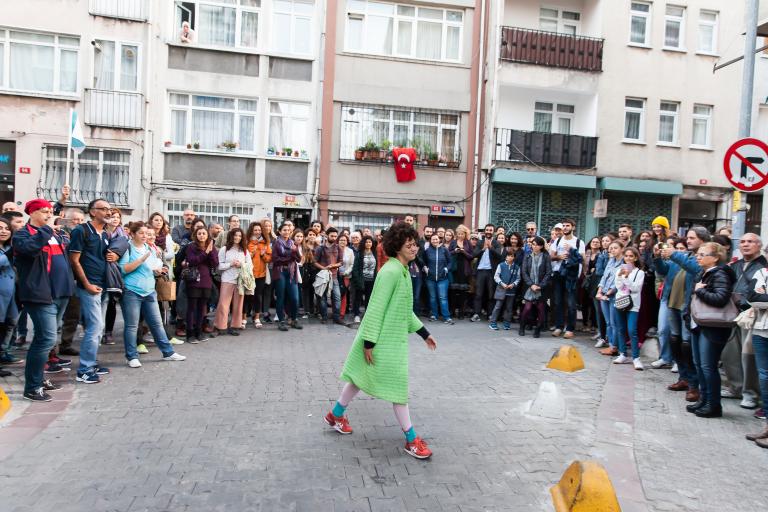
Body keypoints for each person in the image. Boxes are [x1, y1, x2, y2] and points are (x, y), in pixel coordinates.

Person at [324, 222, 438, 459]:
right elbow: (375, 308)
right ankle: (411, 439)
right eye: (409, 245)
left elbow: (405, 311)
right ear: (397, 247)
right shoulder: (391, 271)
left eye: (416, 244)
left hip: (387, 340)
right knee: (398, 389)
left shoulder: (403, 270)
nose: (415, 248)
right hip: (381, 341)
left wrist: (424, 333)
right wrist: (369, 343)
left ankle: (335, 414)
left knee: (359, 378)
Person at [15, 200, 74, 400]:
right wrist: (45, 231)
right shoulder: (24, 234)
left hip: (60, 293)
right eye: (44, 211)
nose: (49, 214)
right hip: (40, 295)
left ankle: (38, 379)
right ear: (32, 213)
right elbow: (29, 249)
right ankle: (31, 387)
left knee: (47, 339)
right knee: (46, 339)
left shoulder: (54, 234)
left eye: (50, 211)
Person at [118, 222, 186, 367]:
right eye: (141, 233)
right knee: (132, 325)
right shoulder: (128, 248)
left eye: (147, 233)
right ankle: (131, 357)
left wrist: (158, 270)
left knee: (157, 324)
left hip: (149, 291)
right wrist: (141, 260)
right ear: (133, 233)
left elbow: (152, 267)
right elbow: (124, 269)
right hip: (131, 291)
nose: (145, 236)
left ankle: (168, 352)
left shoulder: (149, 248)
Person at [69, 198, 117, 384]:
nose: (108, 212)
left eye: (109, 209)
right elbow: (74, 260)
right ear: (92, 211)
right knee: (95, 327)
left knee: (98, 327)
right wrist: (87, 284)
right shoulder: (81, 231)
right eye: (103, 209)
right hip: (89, 287)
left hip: (103, 285)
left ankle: (91, 362)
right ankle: (84, 370)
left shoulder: (104, 234)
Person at [685, 242, 735, 418]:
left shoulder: (720, 273)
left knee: (708, 366)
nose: (698, 257)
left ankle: (714, 405)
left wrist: (700, 292)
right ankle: (704, 400)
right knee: (699, 365)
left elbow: (721, 298)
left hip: (713, 326)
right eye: (698, 254)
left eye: (702, 254)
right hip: (699, 323)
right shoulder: (702, 273)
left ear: (715, 257)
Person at [662, 227, 711, 404]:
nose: (688, 240)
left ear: (703, 240)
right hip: (674, 303)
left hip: (689, 306)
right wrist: (656, 257)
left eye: (692, 238)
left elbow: (697, 270)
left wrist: (675, 254)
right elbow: (664, 272)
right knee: (675, 341)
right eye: (688, 237)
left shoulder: (704, 255)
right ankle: (683, 377)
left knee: (686, 345)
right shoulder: (687, 255)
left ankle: (693, 384)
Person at [721, 233, 764, 409]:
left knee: (749, 356)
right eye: (743, 241)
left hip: (752, 314)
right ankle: (735, 387)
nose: (745, 244)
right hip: (731, 313)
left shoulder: (763, 266)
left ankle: (750, 393)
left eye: (750, 242)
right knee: (729, 353)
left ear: (759, 245)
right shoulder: (735, 265)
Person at [549, 219, 584, 339]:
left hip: (572, 276)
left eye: (567, 226)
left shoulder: (579, 242)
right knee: (558, 302)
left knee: (570, 303)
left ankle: (570, 329)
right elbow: (551, 256)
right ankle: (559, 326)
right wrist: (559, 256)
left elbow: (582, 259)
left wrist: (571, 250)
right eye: (563, 226)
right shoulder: (557, 240)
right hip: (558, 274)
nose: (565, 228)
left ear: (573, 227)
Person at [183, 226, 218, 343]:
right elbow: (192, 261)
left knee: (202, 308)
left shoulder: (211, 247)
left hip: (206, 280)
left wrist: (211, 251)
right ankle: (190, 333)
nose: (202, 235)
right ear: (195, 235)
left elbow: (214, 263)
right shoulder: (191, 247)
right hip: (194, 280)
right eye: (199, 233)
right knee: (192, 308)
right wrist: (205, 252)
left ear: (207, 235)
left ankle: (199, 331)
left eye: (204, 233)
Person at [612, 247, 646, 370]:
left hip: (633, 305)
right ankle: (622, 354)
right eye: (626, 256)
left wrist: (626, 277)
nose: (628, 258)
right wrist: (620, 276)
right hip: (620, 302)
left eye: (631, 256)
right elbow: (618, 286)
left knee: (632, 330)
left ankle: (636, 357)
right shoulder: (619, 270)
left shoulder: (640, 273)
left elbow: (635, 288)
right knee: (621, 328)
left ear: (636, 258)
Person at [746, 258, 768, 443]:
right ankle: (767, 427)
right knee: (764, 377)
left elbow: (760, 298)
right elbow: (751, 297)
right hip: (761, 329)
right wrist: (759, 296)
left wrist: (764, 295)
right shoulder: (761, 273)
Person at [215, 228, 249, 336]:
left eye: (239, 236)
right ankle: (221, 326)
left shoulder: (244, 250)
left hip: (240, 280)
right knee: (223, 304)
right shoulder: (224, 249)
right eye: (235, 235)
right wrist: (231, 264)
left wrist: (241, 264)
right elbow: (219, 266)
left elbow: (250, 265)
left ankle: (235, 326)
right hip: (227, 279)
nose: (237, 237)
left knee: (238, 305)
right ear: (231, 236)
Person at [272, 222, 302, 331]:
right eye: (284, 230)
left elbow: (299, 259)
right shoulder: (276, 243)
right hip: (280, 272)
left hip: (291, 272)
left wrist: (294, 251)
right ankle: (281, 321)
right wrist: (289, 258)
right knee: (281, 297)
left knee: (295, 298)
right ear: (279, 231)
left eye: (288, 230)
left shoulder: (293, 243)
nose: (286, 232)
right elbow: (275, 259)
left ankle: (293, 319)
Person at [597, 241, 624, 356]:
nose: (612, 250)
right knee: (608, 322)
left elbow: (620, 281)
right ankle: (611, 345)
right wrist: (599, 290)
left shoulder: (624, 263)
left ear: (622, 249)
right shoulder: (610, 261)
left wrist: (608, 293)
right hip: (604, 293)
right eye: (611, 248)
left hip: (614, 295)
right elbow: (604, 276)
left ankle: (615, 346)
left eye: (615, 248)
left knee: (614, 323)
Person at [521, 236, 552, 337]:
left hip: (541, 288)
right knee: (527, 308)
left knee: (541, 308)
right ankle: (522, 327)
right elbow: (524, 272)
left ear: (541, 246)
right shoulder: (527, 256)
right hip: (530, 287)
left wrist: (540, 286)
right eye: (533, 244)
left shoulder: (546, 256)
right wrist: (531, 285)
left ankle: (538, 329)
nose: (534, 246)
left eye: (537, 245)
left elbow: (548, 272)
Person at [471, 224, 502, 322]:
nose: (488, 231)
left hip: (491, 272)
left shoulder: (497, 243)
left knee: (490, 294)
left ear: (494, 232)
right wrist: (483, 249)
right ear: (484, 231)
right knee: (478, 294)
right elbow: (474, 254)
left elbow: (499, 256)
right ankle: (476, 314)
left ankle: (490, 315)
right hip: (480, 271)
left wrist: (490, 247)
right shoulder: (480, 242)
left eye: (490, 230)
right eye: (487, 230)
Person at [0, 218, 19, 377]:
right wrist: (9, 254)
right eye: (0, 228)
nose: (4, 231)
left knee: (11, 322)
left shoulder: (8, 248)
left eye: (7, 228)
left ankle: (3, 353)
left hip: (10, 295)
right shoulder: (7, 252)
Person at [244, 222, 271, 328]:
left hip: (261, 274)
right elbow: (243, 257)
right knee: (248, 296)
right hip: (249, 274)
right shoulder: (246, 242)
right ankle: (244, 318)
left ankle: (257, 318)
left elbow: (269, 259)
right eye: (255, 230)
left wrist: (263, 254)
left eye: (259, 230)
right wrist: (251, 254)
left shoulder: (265, 243)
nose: (257, 232)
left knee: (258, 297)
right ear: (251, 230)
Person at [315, 227, 344, 325]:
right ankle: (324, 316)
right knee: (322, 297)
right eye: (332, 236)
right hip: (323, 276)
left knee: (337, 297)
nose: (334, 238)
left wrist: (333, 265)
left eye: (336, 236)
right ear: (327, 236)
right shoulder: (320, 248)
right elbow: (314, 262)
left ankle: (336, 317)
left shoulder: (338, 247)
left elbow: (341, 262)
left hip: (334, 276)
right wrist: (324, 268)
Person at [423, 233, 453, 324]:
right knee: (432, 297)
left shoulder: (444, 250)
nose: (435, 241)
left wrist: (446, 269)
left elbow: (450, 262)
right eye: (433, 239)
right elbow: (423, 261)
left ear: (439, 240)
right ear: (430, 241)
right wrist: (425, 267)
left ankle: (447, 317)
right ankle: (434, 315)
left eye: (436, 239)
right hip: (430, 278)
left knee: (443, 298)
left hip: (443, 278)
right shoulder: (427, 251)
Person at [489, 251, 521, 331]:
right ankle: (493, 322)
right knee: (497, 306)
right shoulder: (501, 265)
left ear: (514, 257)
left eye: (512, 256)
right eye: (508, 256)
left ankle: (507, 322)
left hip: (511, 290)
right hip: (501, 289)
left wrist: (513, 284)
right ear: (506, 257)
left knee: (509, 308)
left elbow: (518, 278)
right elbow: (496, 276)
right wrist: (502, 283)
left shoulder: (517, 267)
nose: (510, 257)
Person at [448, 225, 472, 320]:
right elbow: (448, 253)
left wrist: (463, 252)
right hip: (454, 269)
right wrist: (454, 251)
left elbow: (471, 256)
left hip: (464, 270)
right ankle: (453, 311)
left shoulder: (468, 243)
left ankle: (461, 312)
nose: (460, 235)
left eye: (462, 234)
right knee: (453, 291)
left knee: (463, 292)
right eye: (458, 234)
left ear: (465, 234)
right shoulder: (453, 242)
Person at [352, 235, 377, 314]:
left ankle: (367, 314)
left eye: (370, 242)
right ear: (364, 243)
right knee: (358, 298)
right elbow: (355, 268)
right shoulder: (359, 254)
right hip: (361, 279)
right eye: (366, 242)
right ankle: (356, 314)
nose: (368, 243)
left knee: (369, 298)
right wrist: (358, 280)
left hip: (371, 280)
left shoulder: (374, 253)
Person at [338, 234, 355, 321]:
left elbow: (352, 264)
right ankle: (335, 312)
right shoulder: (335, 249)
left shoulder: (350, 251)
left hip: (346, 276)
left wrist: (346, 272)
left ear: (347, 241)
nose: (342, 242)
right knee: (335, 294)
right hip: (335, 275)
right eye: (341, 240)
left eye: (344, 240)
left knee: (343, 294)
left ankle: (342, 313)